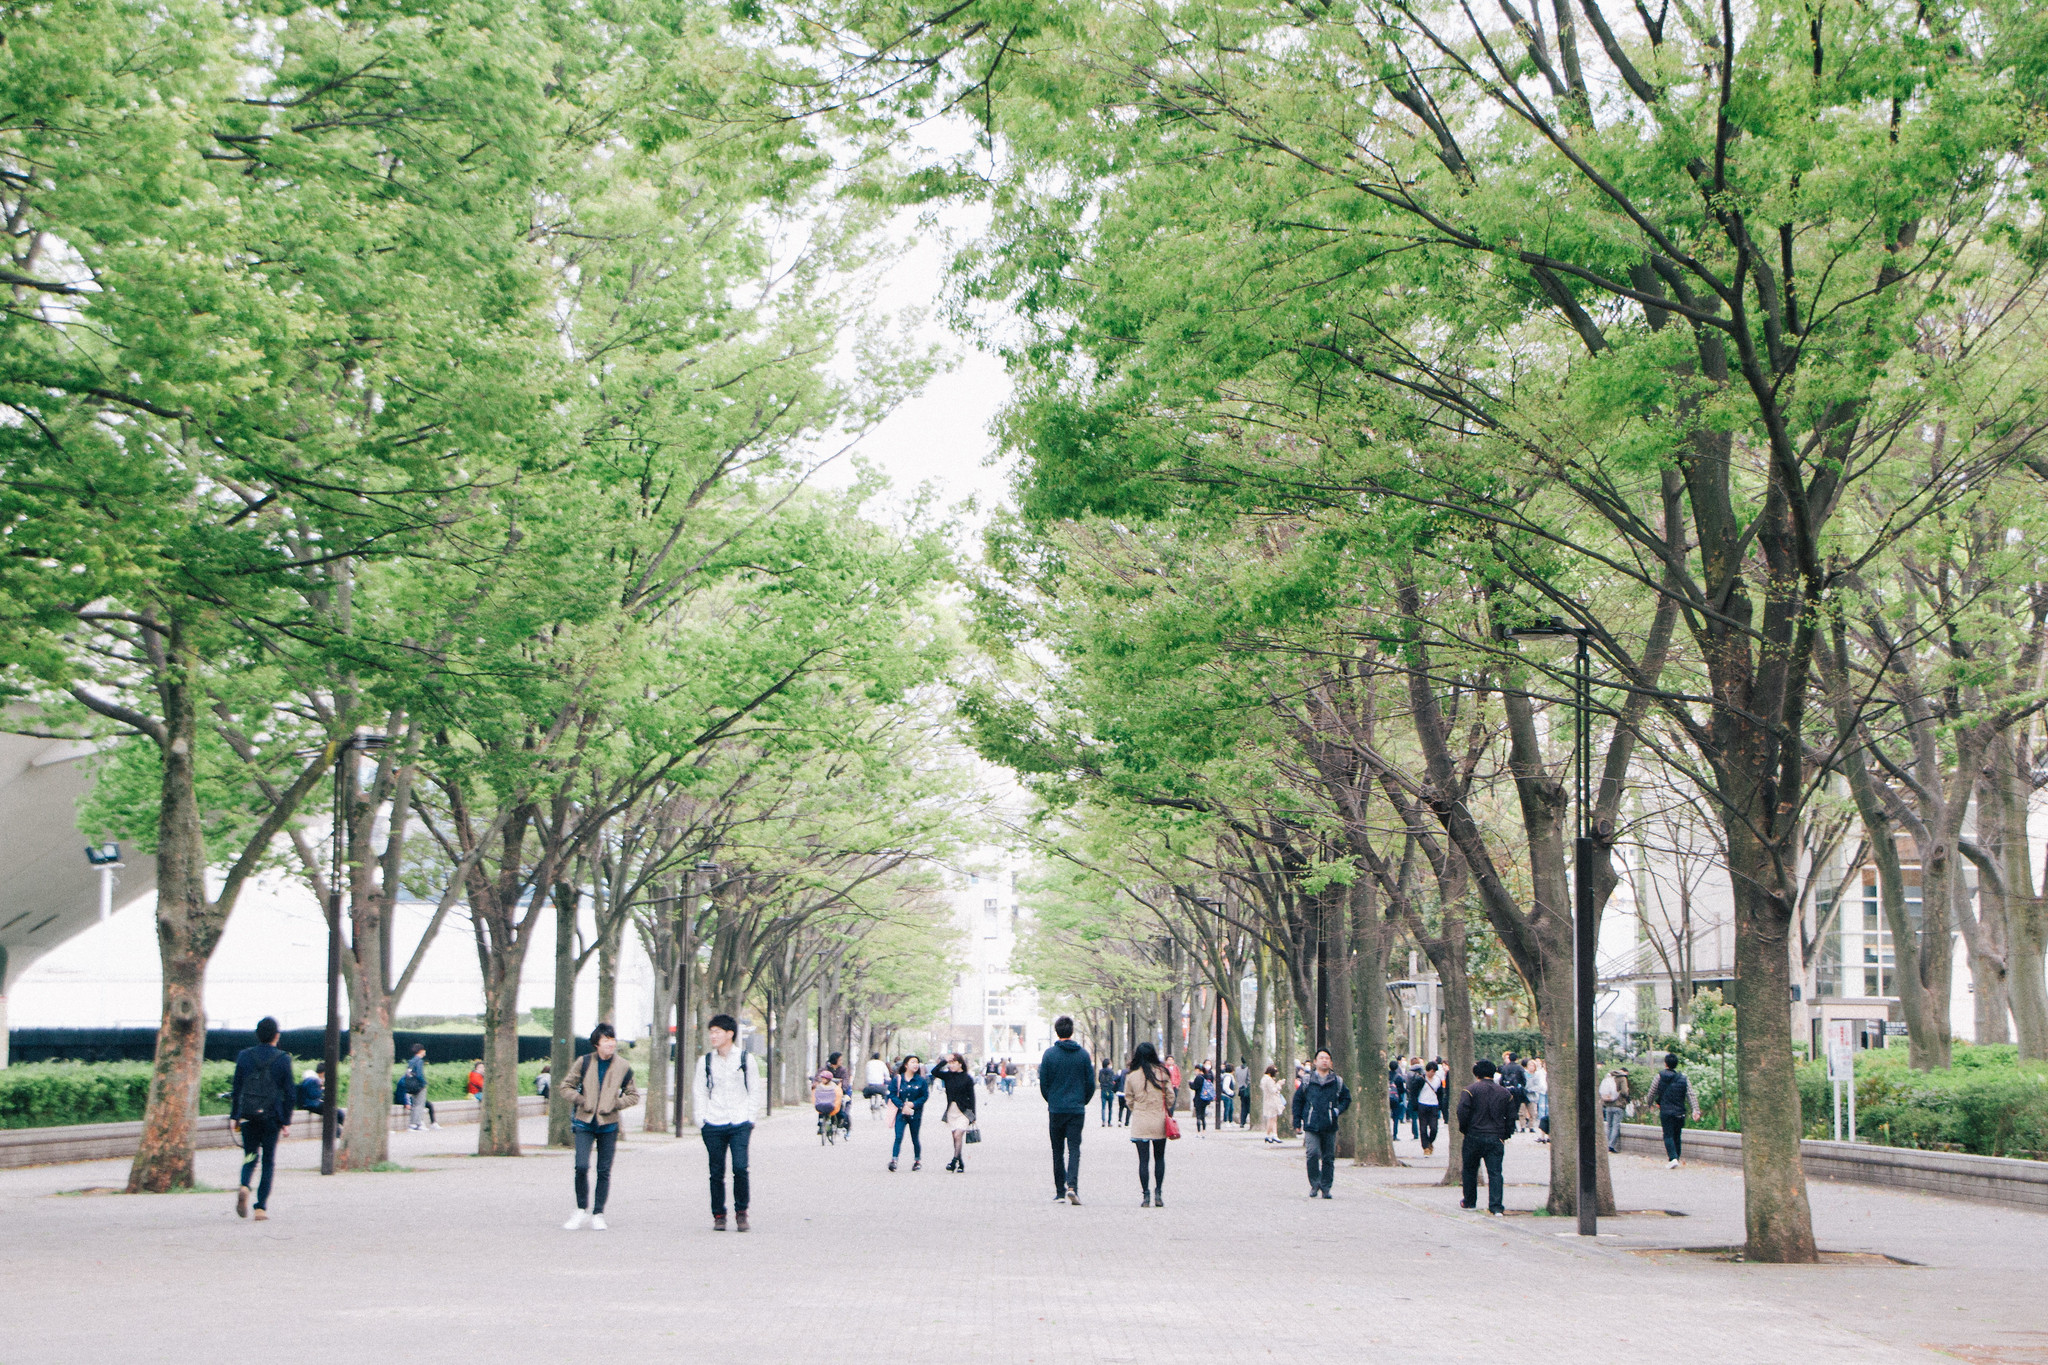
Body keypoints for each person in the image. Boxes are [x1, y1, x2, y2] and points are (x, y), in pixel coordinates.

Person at [561, 1022, 639, 1230]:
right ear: (597, 1043)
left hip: (609, 1124)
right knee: (581, 1166)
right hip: (584, 1122)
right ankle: (580, 1209)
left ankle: (598, 1212)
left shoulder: (623, 1066)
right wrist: (581, 1100)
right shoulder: (584, 1062)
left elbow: (633, 1095)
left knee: (604, 1170)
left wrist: (616, 1104)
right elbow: (565, 1086)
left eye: (612, 1040)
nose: (610, 1044)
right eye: (606, 1040)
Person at [691, 1013, 762, 1232]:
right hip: (713, 1121)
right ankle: (719, 1215)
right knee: (716, 1171)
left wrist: (750, 1118)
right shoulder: (706, 1061)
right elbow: (699, 1091)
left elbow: (754, 1090)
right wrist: (701, 1119)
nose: (713, 1036)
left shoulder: (745, 1059)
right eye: (711, 1032)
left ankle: (741, 1212)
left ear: (729, 1034)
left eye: (717, 1032)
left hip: (740, 1121)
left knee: (740, 1167)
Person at [229, 1017, 294, 1221]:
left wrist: (235, 1116)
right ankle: (260, 1208)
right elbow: (290, 1093)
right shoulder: (283, 1059)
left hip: (248, 1116)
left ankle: (245, 1185)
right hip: (271, 1117)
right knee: (268, 1161)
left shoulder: (244, 1056)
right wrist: (286, 1120)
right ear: (276, 1035)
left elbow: (237, 1088)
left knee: (250, 1155)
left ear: (257, 1034)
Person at [1039, 1015, 1096, 1205]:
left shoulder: (1049, 1055)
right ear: (1072, 1031)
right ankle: (1073, 1186)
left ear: (1057, 1031)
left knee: (1057, 1151)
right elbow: (1090, 1083)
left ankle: (1059, 1191)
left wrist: (1052, 1099)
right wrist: (1082, 1101)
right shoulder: (1083, 1055)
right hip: (1076, 1109)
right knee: (1074, 1149)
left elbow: (1044, 1084)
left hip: (1056, 1109)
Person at [1457, 1059, 1519, 1215]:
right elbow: (1511, 1117)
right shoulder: (1505, 1093)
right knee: (1495, 1172)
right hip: (1495, 1137)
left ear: (1476, 1074)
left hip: (1473, 1135)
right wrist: (1505, 1134)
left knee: (1470, 1169)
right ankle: (1496, 1205)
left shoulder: (1470, 1091)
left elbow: (1462, 1113)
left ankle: (1470, 1201)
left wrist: (1465, 1130)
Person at [1291, 1048, 1352, 1199]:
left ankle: (1326, 1187)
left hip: (1329, 1124)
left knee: (1328, 1157)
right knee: (1312, 1154)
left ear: (1331, 1062)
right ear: (1315, 1062)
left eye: (1327, 1058)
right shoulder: (1307, 1080)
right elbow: (1298, 1101)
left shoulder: (1336, 1081)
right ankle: (1314, 1184)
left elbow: (1346, 1098)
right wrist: (1297, 1121)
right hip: (1311, 1124)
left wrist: (1337, 1111)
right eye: (1321, 1058)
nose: (1324, 1060)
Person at [1123, 1041, 1173, 1207]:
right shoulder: (1163, 1073)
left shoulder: (1132, 1076)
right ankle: (1158, 1192)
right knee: (1159, 1158)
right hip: (1159, 1120)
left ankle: (1146, 1195)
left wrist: (1136, 1109)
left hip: (1140, 1121)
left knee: (1143, 1161)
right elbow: (1171, 1097)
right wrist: (1163, 1107)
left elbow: (1128, 1098)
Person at [1648, 1052, 1700, 1167]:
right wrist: (1695, 1110)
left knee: (1668, 1135)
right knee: (1677, 1135)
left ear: (1665, 1064)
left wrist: (1649, 1104)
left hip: (1665, 1111)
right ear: (1676, 1064)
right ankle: (1676, 1157)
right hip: (1679, 1112)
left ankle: (1673, 1158)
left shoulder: (1659, 1077)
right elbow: (1691, 1095)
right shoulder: (1684, 1079)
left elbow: (1651, 1092)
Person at [934, 1052, 978, 1172]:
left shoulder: (967, 1078)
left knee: (958, 1134)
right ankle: (961, 1162)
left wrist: (973, 1114)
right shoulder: (948, 1075)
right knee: (955, 1136)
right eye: (950, 1063)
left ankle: (954, 1161)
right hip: (951, 1111)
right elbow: (934, 1072)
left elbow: (972, 1096)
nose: (951, 1066)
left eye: (954, 1063)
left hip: (963, 1111)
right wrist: (944, 1060)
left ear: (960, 1064)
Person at [886, 1054, 931, 1171]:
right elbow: (892, 1094)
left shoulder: (921, 1080)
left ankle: (917, 1160)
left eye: (917, 1062)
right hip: (901, 1113)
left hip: (915, 1113)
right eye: (912, 1062)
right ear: (906, 1065)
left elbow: (925, 1095)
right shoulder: (898, 1079)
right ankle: (894, 1160)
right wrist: (901, 1106)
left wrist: (914, 1104)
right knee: (898, 1136)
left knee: (915, 1137)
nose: (915, 1065)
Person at [1412, 1060, 1443, 1155]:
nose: (1432, 1074)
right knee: (1423, 1127)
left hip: (1434, 1105)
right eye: (1431, 1071)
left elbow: (1440, 1093)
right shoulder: (1420, 1079)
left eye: (1434, 1072)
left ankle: (1430, 1142)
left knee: (1434, 1128)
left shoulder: (1438, 1080)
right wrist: (1415, 1105)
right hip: (1423, 1104)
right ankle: (1425, 1147)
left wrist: (1441, 1105)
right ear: (1427, 1070)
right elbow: (1413, 1092)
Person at [1598, 1066, 1632, 1151]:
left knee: (1609, 1125)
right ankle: (1611, 1145)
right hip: (1618, 1105)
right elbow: (1624, 1092)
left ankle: (1606, 1144)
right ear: (1624, 1072)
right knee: (1615, 1125)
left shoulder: (1610, 1076)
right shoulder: (1622, 1078)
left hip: (1608, 1104)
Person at [402, 1042, 434, 1130]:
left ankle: (413, 1123)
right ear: (420, 1051)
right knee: (420, 1104)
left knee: (415, 1104)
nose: (425, 1052)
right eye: (424, 1050)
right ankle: (416, 1124)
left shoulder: (411, 1061)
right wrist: (424, 1083)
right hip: (418, 1086)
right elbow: (419, 1075)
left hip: (410, 1085)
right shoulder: (419, 1061)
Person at [1499, 1050, 1531, 1135]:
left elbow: (1501, 1081)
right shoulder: (1519, 1068)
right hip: (1517, 1091)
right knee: (1516, 1109)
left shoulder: (1505, 1068)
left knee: (1508, 1109)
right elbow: (1524, 1080)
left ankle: (1511, 1126)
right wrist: (1522, 1086)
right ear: (1517, 1059)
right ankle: (1514, 1126)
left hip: (1507, 1090)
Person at [1260, 1064, 1284, 1143]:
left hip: (1268, 1101)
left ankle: (1272, 1134)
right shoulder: (1268, 1080)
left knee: (1272, 1119)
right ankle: (1271, 1135)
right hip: (1272, 1101)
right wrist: (1279, 1084)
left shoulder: (1264, 1079)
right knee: (1272, 1119)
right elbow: (1273, 1090)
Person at [1528, 1057, 1550, 1143]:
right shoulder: (1539, 1073)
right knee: (1542, 1112)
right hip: (1541, 1092)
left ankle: (1547, 1135)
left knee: (1548, 1112)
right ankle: (1543, 1134)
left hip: (1548, 1093)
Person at [1191, 1065, 1212, 1133]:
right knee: (1203, 1115)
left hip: (1198, 1098)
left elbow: (1195, 1087)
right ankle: (1204, 1129)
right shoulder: (1207, 1077)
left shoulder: (1198, 1078)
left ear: (1199, 1070)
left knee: (1198, 1115)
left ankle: (1198, 1130)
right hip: (1205, 1098)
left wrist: (1190, 1083)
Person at [1097, 1059, 1117, 1126]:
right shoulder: (1111, 1071)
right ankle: (1109, 1121)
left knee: (1103, 1107)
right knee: (1110, 1107)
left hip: (1103, 1090)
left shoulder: (1101, 1071)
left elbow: (1099, 1079)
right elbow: (1112, 1079)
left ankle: (1103, 1121)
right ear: (1108, 1064)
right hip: (1110, 1090)